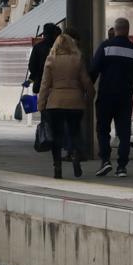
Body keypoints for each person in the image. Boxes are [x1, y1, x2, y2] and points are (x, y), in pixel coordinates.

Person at [89, 17, 133, 177]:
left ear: (115, 29)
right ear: (128, 30)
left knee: (103, 129)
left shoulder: (106, 46)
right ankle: (122, 167)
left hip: (106, 94)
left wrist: (88, 89)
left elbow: (94, 69)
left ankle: (105, 160)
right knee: (124, 132)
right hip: (125, 96)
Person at [38, 33, 93, 179]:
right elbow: (86, 81)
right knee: (74, 131)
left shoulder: (51, 60)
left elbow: (45, 84)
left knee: (57, 136)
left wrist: (41, 104)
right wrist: (90, 96)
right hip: (75, 102)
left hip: (55, 102)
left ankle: (57, 167)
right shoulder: (77, 59)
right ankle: (75, 155)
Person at [27, 23, 61, 94]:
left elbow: (32, 67)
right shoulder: (60, 47)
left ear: (44, 34)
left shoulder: (37, 47)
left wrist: (34, 76)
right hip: (57, 86)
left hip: (40, 84)